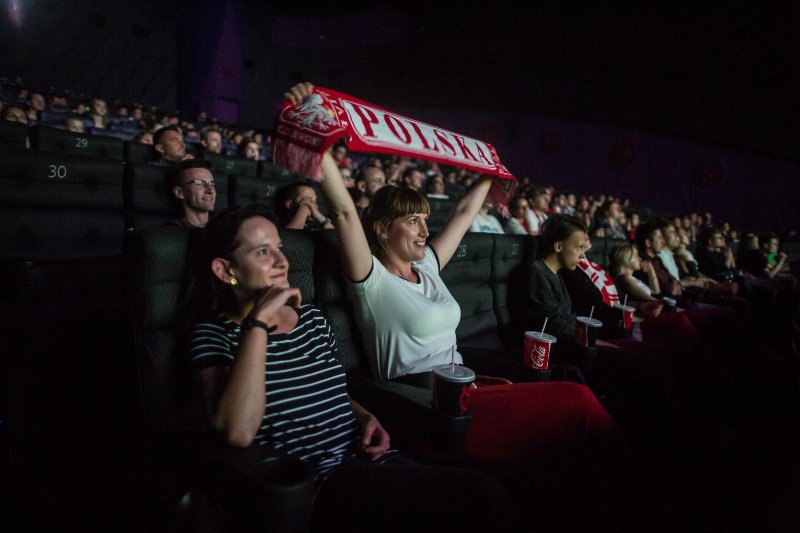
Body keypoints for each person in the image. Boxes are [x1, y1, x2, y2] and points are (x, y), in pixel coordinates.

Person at [187, 203, 517, 532]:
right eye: (262, 252)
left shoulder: (312, 319)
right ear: (224, 269)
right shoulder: (216, 334)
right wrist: (258, 322)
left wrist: (363, 416)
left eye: (279, 248)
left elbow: (330, 388)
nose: (281, 261)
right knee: (477, 496)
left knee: (494, 483)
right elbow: (237, 431)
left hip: (366, 457)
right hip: (313, 482)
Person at [170, 159, 217, 228]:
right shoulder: (170, 233)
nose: (210, 190)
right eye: (199, 183)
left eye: (212, 184)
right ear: (179, 192)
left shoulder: (225, 228)